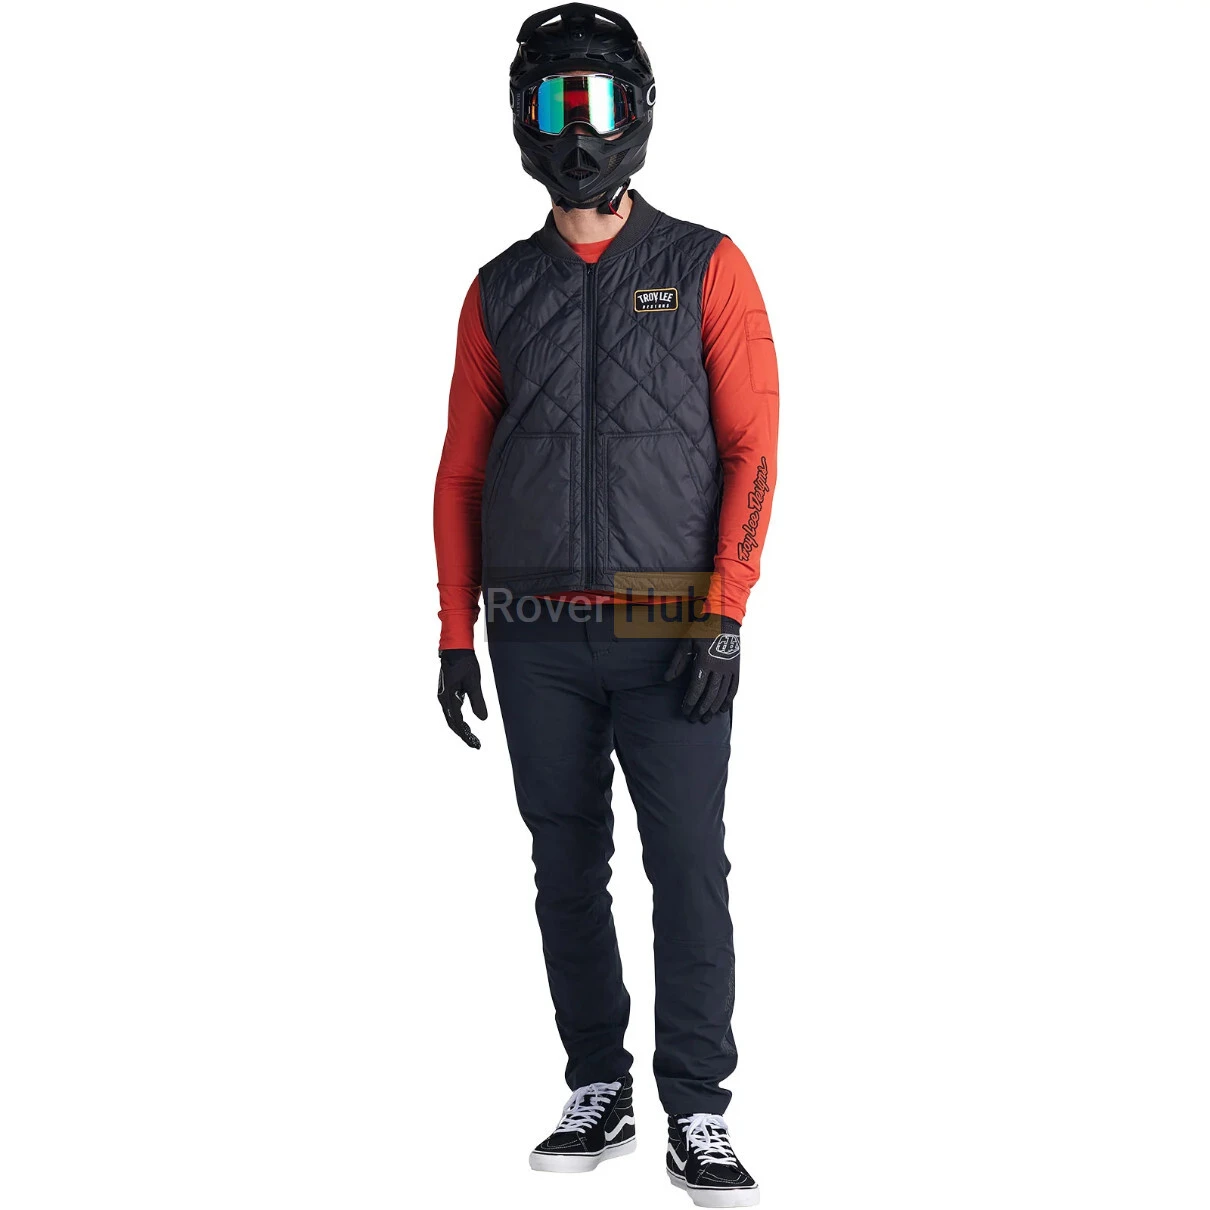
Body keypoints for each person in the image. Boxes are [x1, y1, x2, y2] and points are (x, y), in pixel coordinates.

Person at [432, 6, 777, 1206]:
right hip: (534, 639)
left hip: (670, 631)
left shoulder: (705, 265)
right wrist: (454, 630)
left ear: (638, 113)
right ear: (520, 121)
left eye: (596, 104)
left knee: (686, 865)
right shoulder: (498, 288)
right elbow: (461, 472)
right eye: (552, 105)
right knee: (565, 866)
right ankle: (598, 1084)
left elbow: (753, 449)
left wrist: (725, 610)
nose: (576, 133)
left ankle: (698, 1106)